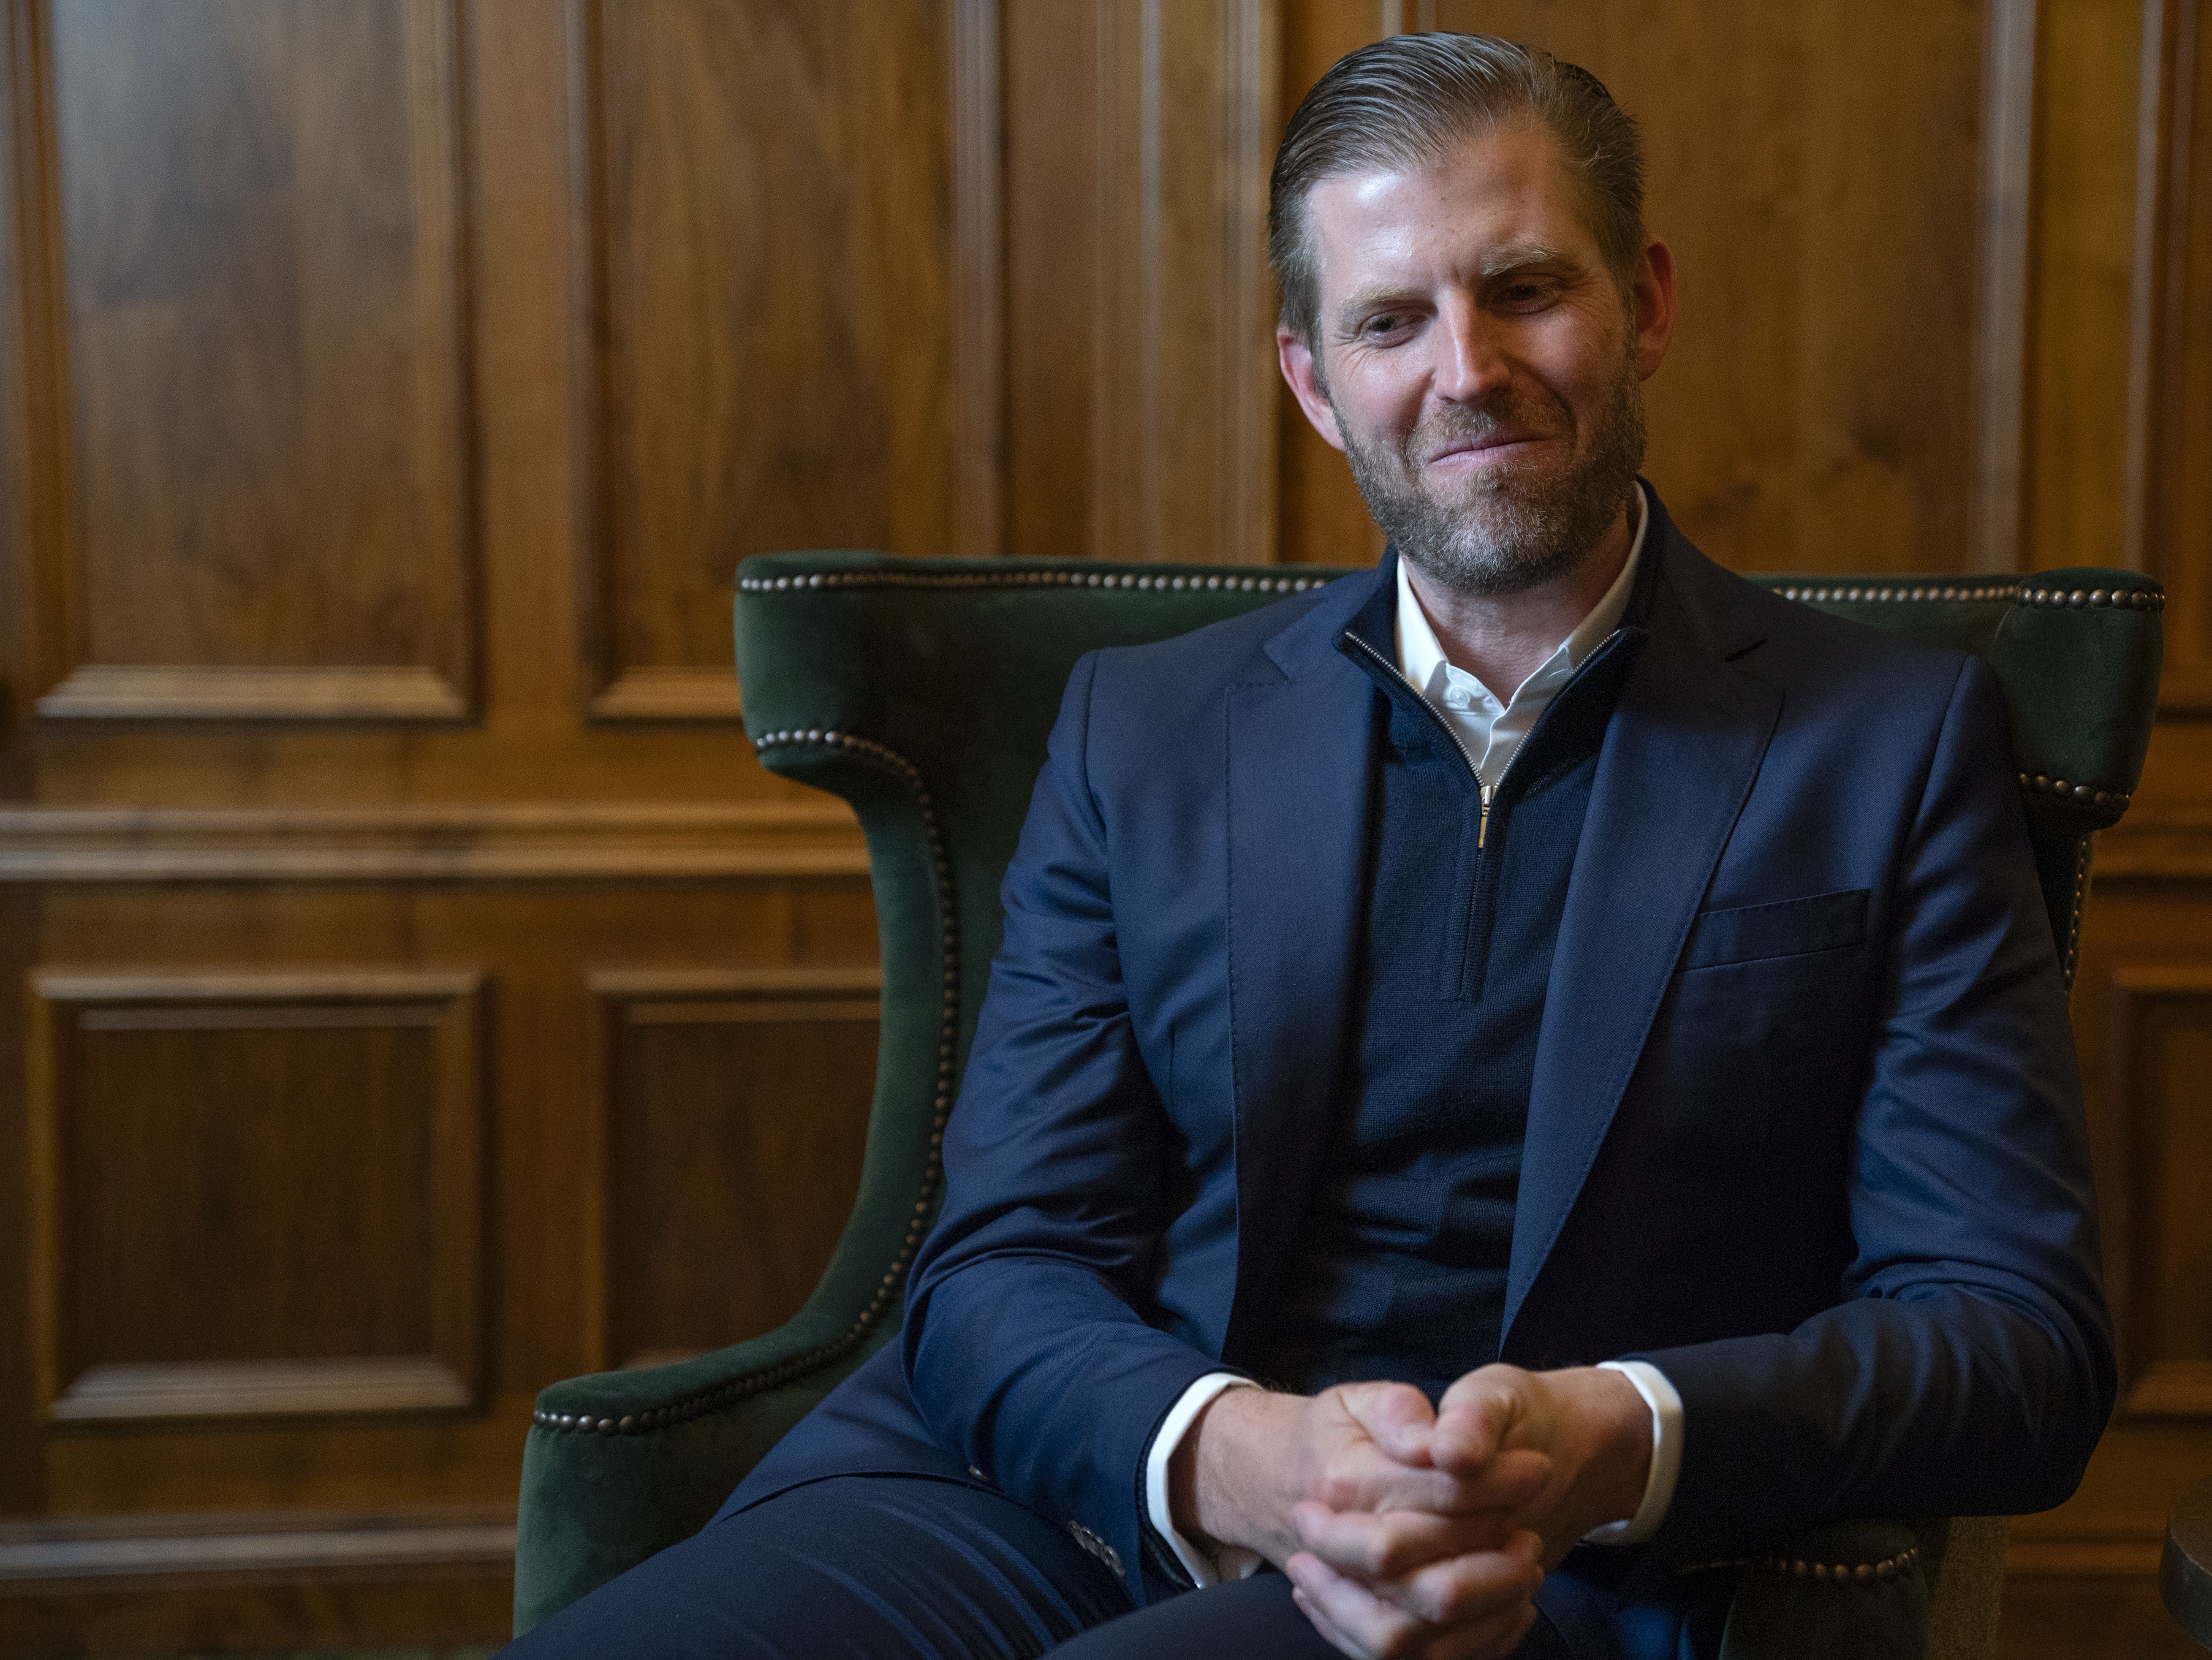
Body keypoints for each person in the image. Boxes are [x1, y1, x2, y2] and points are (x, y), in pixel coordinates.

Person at [506, 33, 2113, 1660]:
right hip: (1058, 1493)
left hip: (1528, 1563)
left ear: (1648, 303)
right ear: (1314, 384)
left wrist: (1614, 1432)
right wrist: (1240, 1459)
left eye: (1527, 288)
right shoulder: (1138, 731)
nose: (1467, 367)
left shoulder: (1890, 746)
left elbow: (2017, 1337)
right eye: (1391, 321)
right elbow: (1003, 1265)